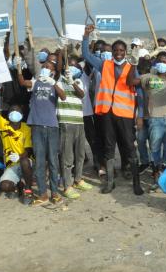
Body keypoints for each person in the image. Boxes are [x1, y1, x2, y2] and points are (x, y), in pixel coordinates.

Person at [82, 24, 144, 195]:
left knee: (130, 147)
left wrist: (140, 116)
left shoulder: (132, 67)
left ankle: (136, 183)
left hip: (125, 115)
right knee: (109, 148)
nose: (118, 52)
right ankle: (110, 182)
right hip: (107, 114)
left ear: (125, 52)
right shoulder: (104, 65)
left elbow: (139, 92)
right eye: (116, 50)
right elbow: (86, 55)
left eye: (121, 50)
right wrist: (86, 36)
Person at [16, 56, 66, 205]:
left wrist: (54, 83)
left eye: (49, 68)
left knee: (52, 160)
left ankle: (55, 193)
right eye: (44, 67)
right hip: (36, 126)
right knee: (39, 161)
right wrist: (19, 67)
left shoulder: (55, 84)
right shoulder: (35, 82)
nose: (46, 69)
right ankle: (43, 194)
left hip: (51, 126)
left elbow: (63, 97)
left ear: (52, 72)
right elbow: (21, 82)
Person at [132, 52, 166, 185]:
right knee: (155, 147)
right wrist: (133, 64)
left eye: (165, 62)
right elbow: (130, 81)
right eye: (160, 61)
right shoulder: (148, 77)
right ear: (156, 63)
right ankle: (156, 171)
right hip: (154, 119)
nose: (163, 63)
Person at [0, 82, 34, 202]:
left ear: (21, 114)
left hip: (26, 162)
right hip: (11, 165)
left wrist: (19, 157)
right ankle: (18, 185)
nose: (14, 112)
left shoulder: (26, 128)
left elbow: (29, 150)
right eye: (12, 110)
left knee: (25, 162)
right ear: (8, 115)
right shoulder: (4, 125)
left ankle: (28, 190)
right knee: (4, 186)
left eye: (17, 110)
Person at [56, 56, 93, 199]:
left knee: (80, 154)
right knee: (67, 156)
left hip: (79, 122)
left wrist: (72, 82)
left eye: (75, 66)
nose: (72, 68)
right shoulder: (58, 81)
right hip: (65, 122)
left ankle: (78, 179)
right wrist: (61, 50)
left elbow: (81, 94)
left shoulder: (79, 81)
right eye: (70, 66)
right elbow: (58, 67)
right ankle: (67, 186)